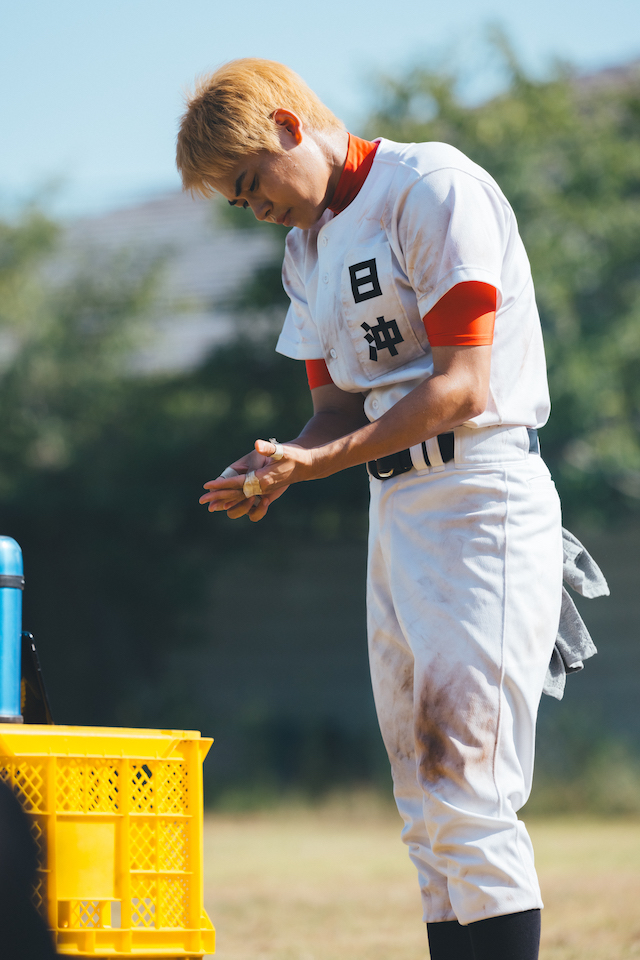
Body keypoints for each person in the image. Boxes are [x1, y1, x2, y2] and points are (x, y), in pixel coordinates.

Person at [177, 58, 562, 960]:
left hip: (480, 496)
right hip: (397, 507)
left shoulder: (429, 187)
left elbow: (462, 387)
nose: (255, 207)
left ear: (285, 125)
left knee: (469, 789)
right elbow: (338, 411)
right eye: (237, 203)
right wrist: (279, 461)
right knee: (425, 805)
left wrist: (316, 465)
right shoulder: (306, 250)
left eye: (251, 183)